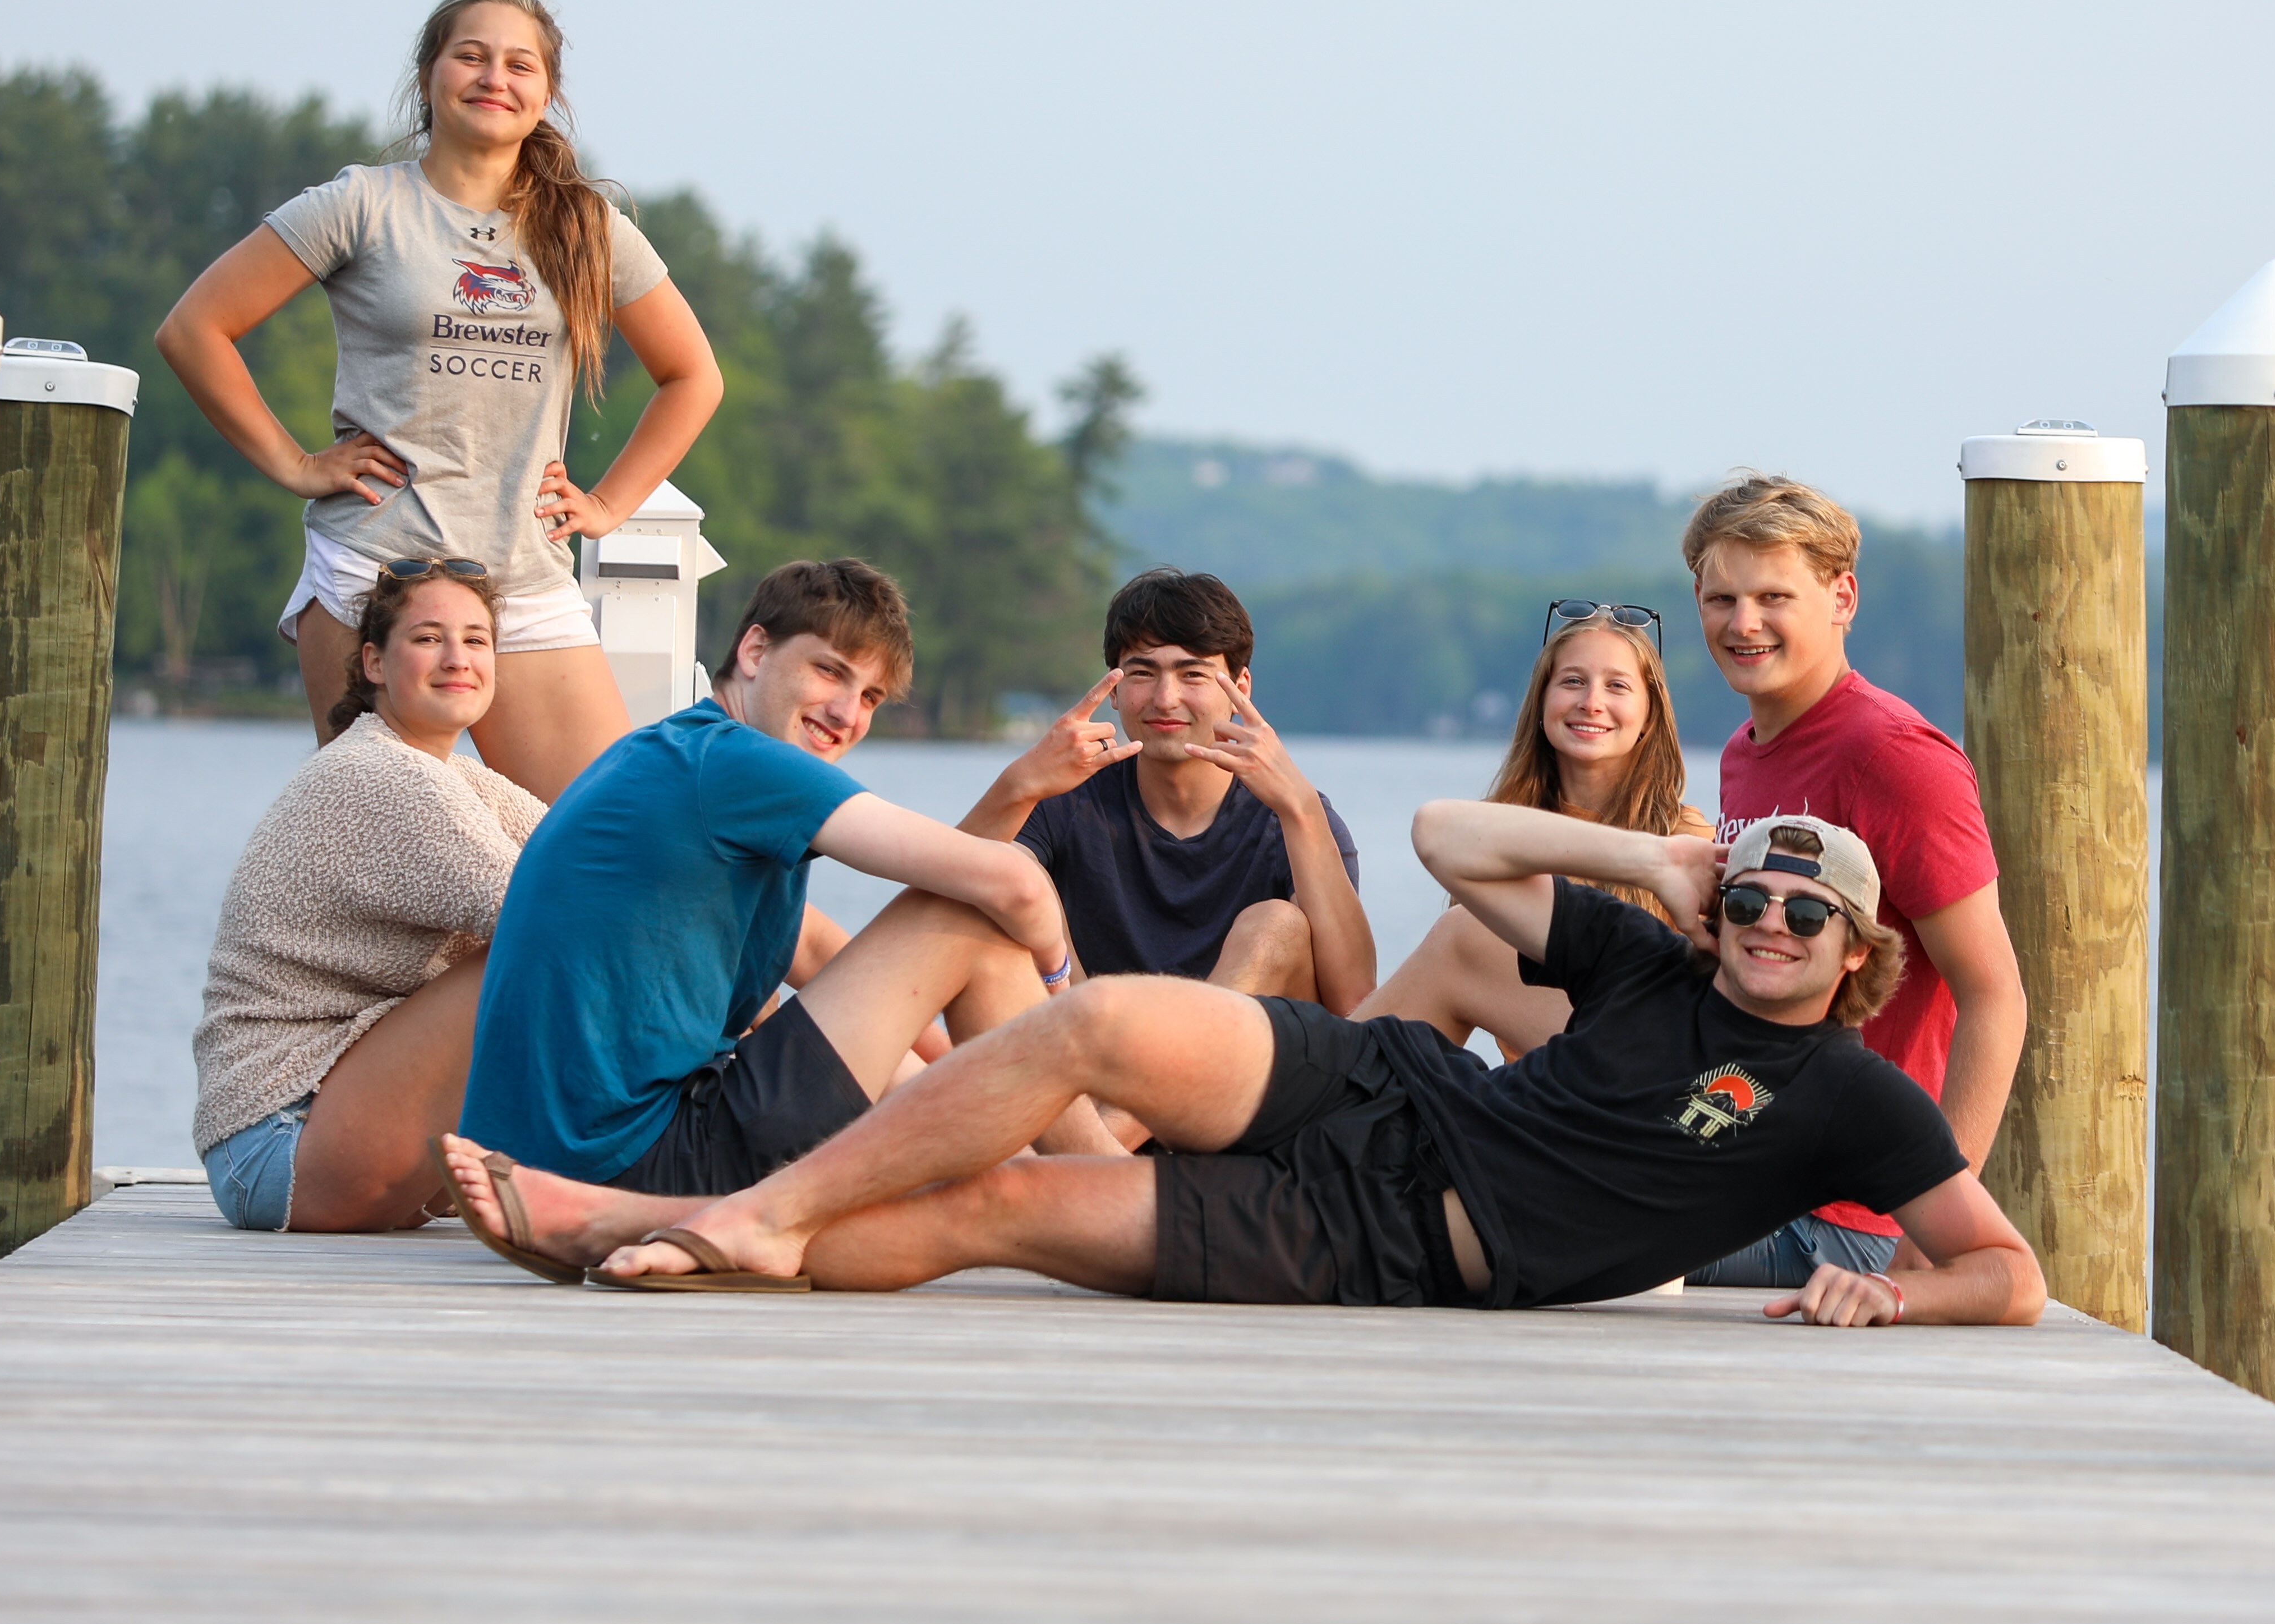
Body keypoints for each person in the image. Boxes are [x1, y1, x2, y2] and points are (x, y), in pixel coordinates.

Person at [440, 807, 2044, 1335]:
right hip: (1390, 1089)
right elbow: (1445, 839)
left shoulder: (1850, 1094)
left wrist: (1891, 1298)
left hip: (1391, 1244)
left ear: (1856, 950)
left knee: (1003, 1207)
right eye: (1750, 898)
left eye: (1804, 913)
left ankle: (640, 1226)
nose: (1766, 924)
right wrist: (1648, 860)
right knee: (1093, 1025)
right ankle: (741, 1219)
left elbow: (2008, 1274)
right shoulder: (1650, 957)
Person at [449, 557, 1119, 1266]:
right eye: (829, 672)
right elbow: (1012, 886)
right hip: (621, 1163)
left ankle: (1056, 1185)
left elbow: (835, 959)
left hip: (557, 1157)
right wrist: (1058, 993)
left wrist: (954, 1093)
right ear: (755, 650)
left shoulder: (676, 756)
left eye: (870, 697)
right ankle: (1111, 1189)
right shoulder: (738, 763)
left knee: (927, 1077)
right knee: (976, 927)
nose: (846, 714)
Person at [153, 0, 724, 805]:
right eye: (471, 55)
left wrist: (606, 505)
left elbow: (693, 376)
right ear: (428, 76)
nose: (494, 77)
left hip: (526, 580)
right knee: (384, 848)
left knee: (605, 836)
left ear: (546, 94)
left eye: (519, 64)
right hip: (373, 577)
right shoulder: (361, 205)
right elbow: (194, 329)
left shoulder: (587, 227)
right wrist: (296, 464)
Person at [1677, 475, 2028, 1292]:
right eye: (1722, 598)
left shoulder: (1894, 757)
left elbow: (1994, 997)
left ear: (1842, 598)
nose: (1743, 623)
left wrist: (1929, 1230)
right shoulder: (1743, 752)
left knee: (1549, 1215)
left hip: (1841, 1218)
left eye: (1773, 596)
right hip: (1744, 1155)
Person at [192, 562, 543, 1233]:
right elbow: (556, 920)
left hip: (331, 1128)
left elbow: (587, 867)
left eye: (475, 640)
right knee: (532, 958)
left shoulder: (460, 780)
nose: (457, 658)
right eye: (429, 638)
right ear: (374, 662)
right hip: (276, 1141)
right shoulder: (378, 776)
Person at [962, 568, 1373, 1012]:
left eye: (1192, 674)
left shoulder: (1296, 818)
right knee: (1011, 872)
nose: (1165, 699)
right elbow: (948, 894)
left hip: (1242, 1051)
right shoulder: (1066, 800)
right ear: (1114, 689)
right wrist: (1018, 782)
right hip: (1089, 1037)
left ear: (1240, 688)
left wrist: (1300, 807)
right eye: (1142, 673)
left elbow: (1353, 1000)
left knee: (1277, 925)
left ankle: (1167, 1050)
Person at [1357, 599, 1714, 1059]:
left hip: (1641, 1063)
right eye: (1572, 681)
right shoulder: (1504, 831)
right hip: (1543, 1085)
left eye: (1617, 686)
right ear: (1542, 702)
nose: (1591, 702)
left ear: (1649, 715)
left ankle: (1319, 1077)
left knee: (1457, 936)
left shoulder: (1683, 838)